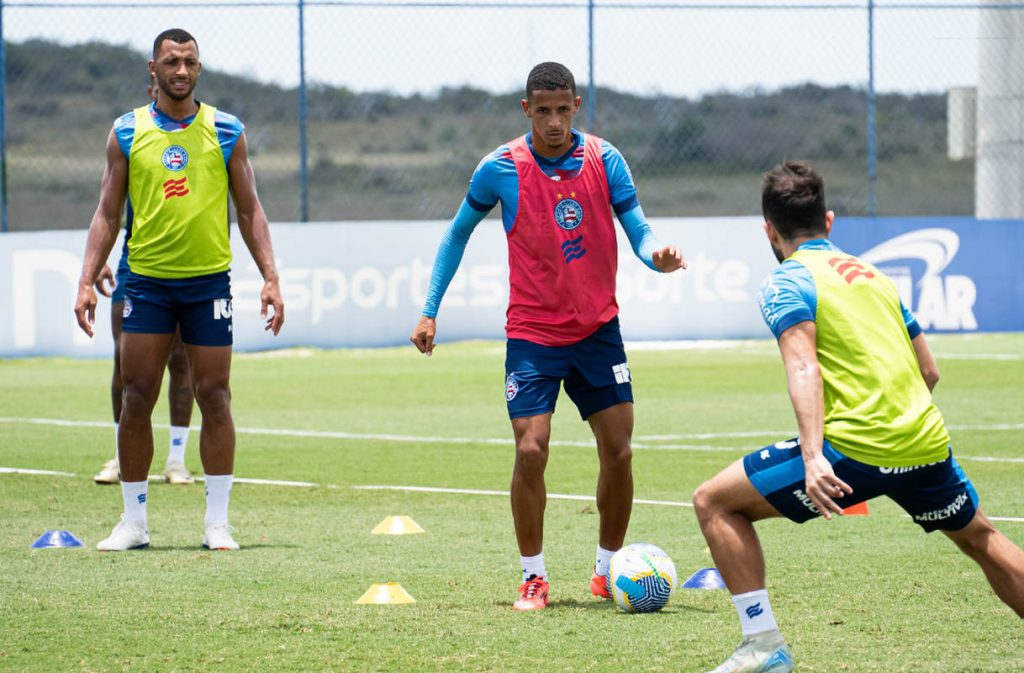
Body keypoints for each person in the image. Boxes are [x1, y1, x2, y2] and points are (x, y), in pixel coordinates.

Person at [692, 162, 1024, 673]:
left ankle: (763, 646)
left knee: (713, 502)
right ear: (828, 221)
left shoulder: (786, 280)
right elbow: (928, 370)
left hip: (854, 450)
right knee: (981, 538)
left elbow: (802, 364)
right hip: (925, 442)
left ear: (769, 230)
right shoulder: (873, 275)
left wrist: (813, 457)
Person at [410, 62, 686, 611]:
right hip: (533, 336)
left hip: (598, 331)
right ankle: (532, 576)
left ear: (576, 107)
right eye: (543, 111)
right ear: (526, 109)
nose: (554, 122)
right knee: (531, 449)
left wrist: (657, 257)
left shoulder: (606, 160)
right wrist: (429, 310)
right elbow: (456, 236)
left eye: (563, 110)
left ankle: (607, 571)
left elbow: (638, 229)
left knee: (620, 451)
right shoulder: (500, 167)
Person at [74, 28, 284, 552]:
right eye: (172, 61)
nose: (182, 70)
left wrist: (271, 277)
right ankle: (134, 524)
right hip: (144, 283)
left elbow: (250, 208)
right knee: (135, 394)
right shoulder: (126, 132)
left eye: (189, 61)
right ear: (153, 69)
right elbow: (106, 212)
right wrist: (86, 278)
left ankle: (217, 523)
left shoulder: (227, 130)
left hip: (208, 282)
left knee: (214, 394)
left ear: (199, 67)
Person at [93, 74, 196, 487]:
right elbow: (109, 207)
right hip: (134, 267)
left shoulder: (206, 138)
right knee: (126, 363)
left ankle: (176, 459)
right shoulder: (133, 137)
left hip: (191, 271)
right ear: (152, 89)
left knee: (181, 364)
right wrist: (97, 258)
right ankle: (122, 454)